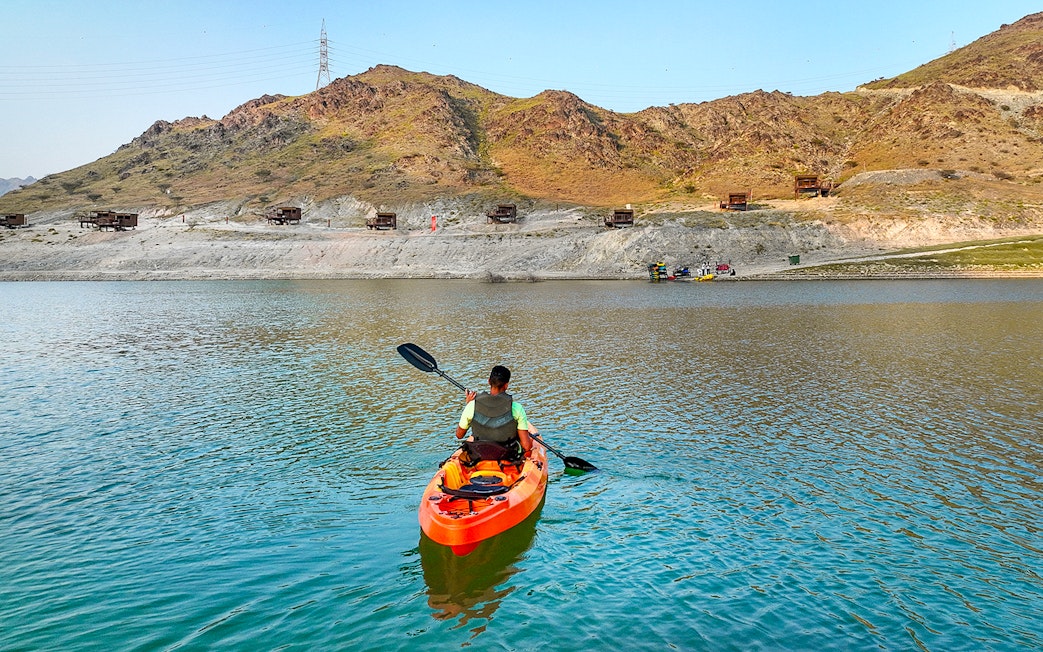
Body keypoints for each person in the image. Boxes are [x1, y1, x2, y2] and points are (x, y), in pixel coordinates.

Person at [455, 364, 533, 461]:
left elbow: (459, 435)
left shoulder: (472, 406)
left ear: (489, 381)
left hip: (479, 456)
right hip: (508, 457)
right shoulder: (517, 408)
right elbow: (526, 446)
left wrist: (469, 405)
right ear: (506, 385)